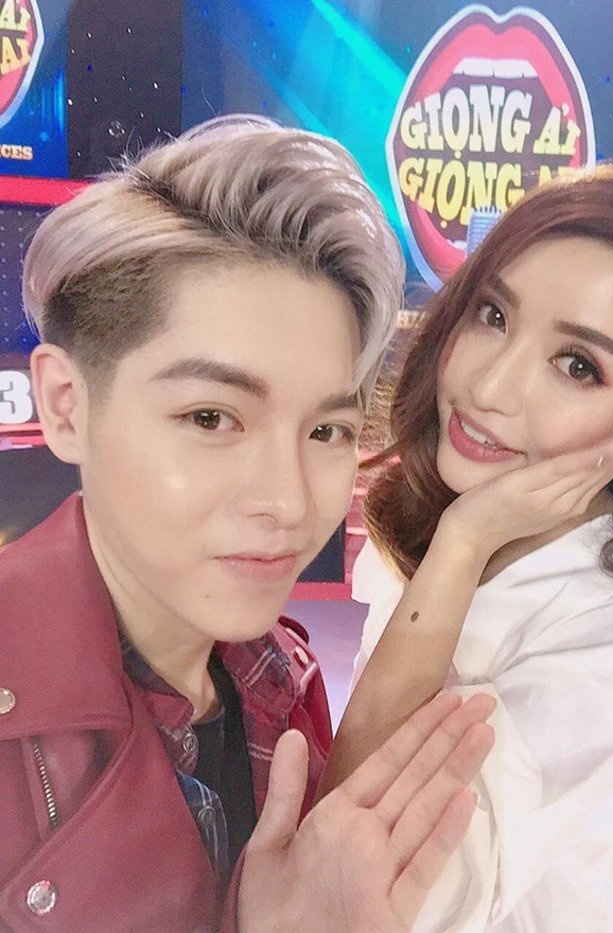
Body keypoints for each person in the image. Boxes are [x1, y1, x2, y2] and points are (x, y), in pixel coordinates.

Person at [0, 116, 498, 932]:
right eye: (210, 417)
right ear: (65, 406)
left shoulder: (281, 679)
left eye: (326, 430)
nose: (291, 501)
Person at [320, 163, 613, 931]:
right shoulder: (454, 506)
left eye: (578, 365)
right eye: (492, 314)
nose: (489, 387)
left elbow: (362, 889)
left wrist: (462, 547)